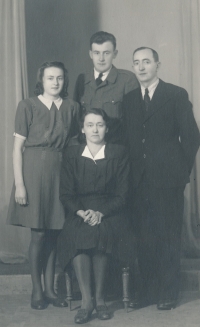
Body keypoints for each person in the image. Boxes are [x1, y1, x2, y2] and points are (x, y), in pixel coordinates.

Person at [122, 47, 200, 310]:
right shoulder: (130, 99)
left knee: (167, 236)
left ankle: (168, 292)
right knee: (143, 236)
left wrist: (180, 170)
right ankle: (146, 292)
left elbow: (191, 137)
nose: (141, 67)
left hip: (169, 181)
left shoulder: (176, 94)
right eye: (136, 63)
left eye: (146, 62)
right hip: (138, 181)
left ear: (158, 64)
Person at [7, 61, 80, 310]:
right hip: (33, 171)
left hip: (60, 172)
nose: (55, 82)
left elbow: (72, 146)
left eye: (59, 78)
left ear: (64, 81)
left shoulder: (72, 107)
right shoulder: (27, 106)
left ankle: (50, 289)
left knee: (55, 232)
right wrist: (20, 185)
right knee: (38, 233)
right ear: (42, 80)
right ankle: (37, 290)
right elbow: (17, 148)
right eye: (50, 78)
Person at [57, 108, 131, 324]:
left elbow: (123, 194)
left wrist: (101, 213)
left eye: (100, 124)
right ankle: (87, 302)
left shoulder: (118, 153)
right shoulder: (72, 154)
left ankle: (100, 300)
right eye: (90, 125)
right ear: (82, 129)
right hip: (79, 211)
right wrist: (81, 212)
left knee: (100, 232)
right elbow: (66, 194)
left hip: (110, 212)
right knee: (78, 233)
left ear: (107, 128)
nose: (95, 129)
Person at [73, 31, 139, 144]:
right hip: (86, 148)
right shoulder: (82, 79)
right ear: (90, 54)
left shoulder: (127, 79)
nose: (101, 58)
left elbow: (135, 122)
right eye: (97, 53)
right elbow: (76, 118)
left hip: (116, 148)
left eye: (106, 53)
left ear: (115, 54)